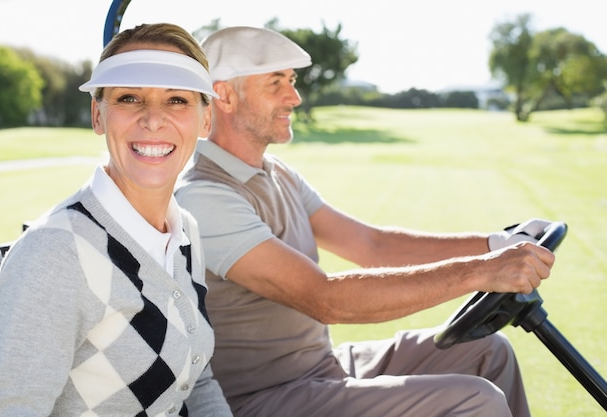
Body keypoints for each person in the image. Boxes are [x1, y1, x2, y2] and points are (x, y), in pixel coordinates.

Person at [174, 26, 556, 417]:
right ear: (224, 95)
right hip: (264, 399)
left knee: (489, 353)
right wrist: (481, 272)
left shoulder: (277, 174)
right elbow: (325, 299)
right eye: (276, 83)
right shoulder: (206, 196)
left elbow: (371, 245)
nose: (295, 97)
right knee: (477, 399)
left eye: (292, 81)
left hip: (321, 369)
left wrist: (496, 244)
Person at [0, 23, 233, 417]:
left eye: (177, 100)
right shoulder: (54, 254)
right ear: (98, 116)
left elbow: (197, 380)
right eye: (130, 97)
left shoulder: (185, 231)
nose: (153, 119)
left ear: (205, 120)